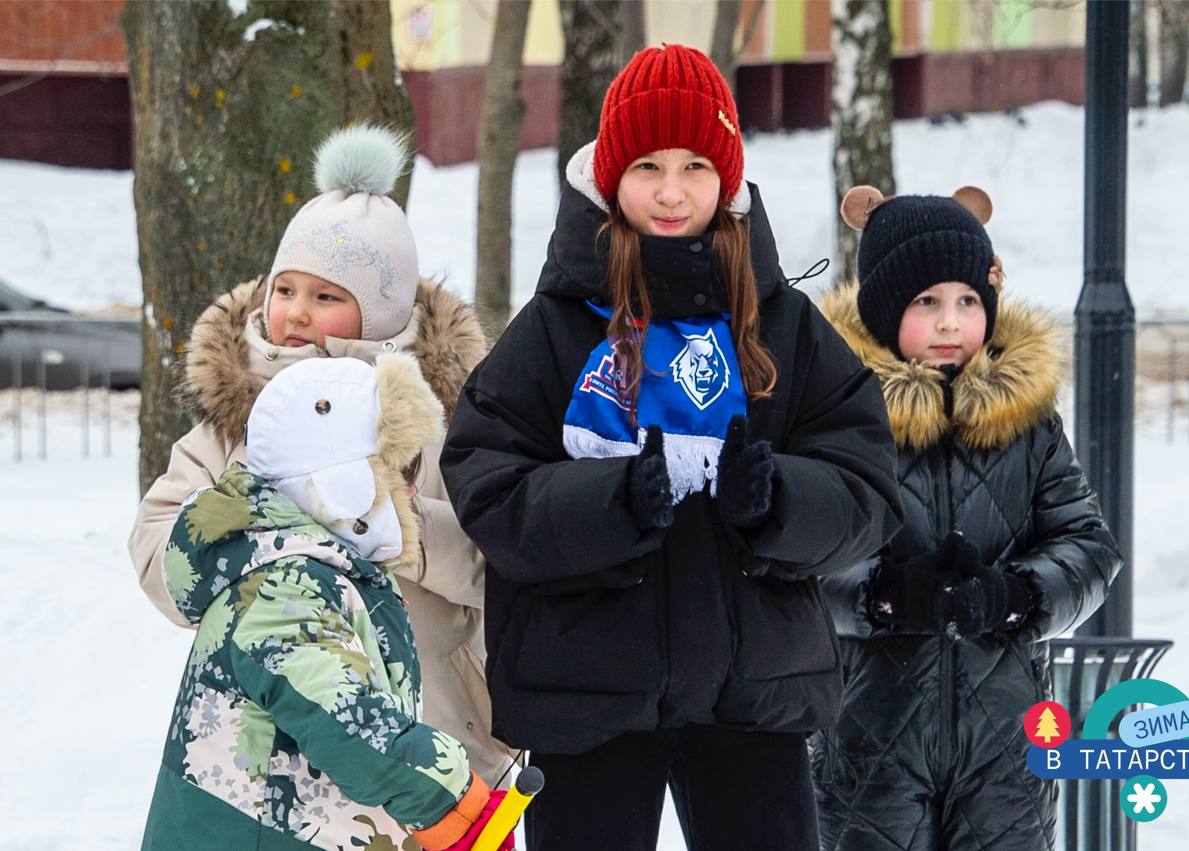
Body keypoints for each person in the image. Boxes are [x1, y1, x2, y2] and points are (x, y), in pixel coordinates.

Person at [438, 44, 903, 851]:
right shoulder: (555, 325)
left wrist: (779, 500)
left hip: (755, 698)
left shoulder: (781, 322)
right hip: (587, 692)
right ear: (610, 174)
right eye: (647, 165)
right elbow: (486, 482)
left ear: (727, 176)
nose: (671, 190)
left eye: (695, 165)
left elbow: (866, 485)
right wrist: (609, 502)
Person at [127, 124, 517, 785]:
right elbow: (154, 545)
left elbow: (503, 556)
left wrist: (408, 531)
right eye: (286, 290)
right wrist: (232, 526)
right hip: (274, 752)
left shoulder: (447, 413)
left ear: (385, 311)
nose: (297, 313)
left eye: (327, 296)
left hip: (434, 734)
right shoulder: (236, 414)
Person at [811, 185, 1124, 851]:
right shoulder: (841, 418)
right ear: (883, 309)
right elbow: (801, 558)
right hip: (871, 741)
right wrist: (886, 595)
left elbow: (1090, 545)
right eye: (927, 302)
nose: (951, 322)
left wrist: (1018, 594)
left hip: (1007, 750)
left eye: (967, 301)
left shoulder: (1026, 422)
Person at [141, 355, 513, 851]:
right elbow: (344, 720)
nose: (407, 494)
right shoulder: (283, 585)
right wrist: (456, 802)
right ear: (341, 484)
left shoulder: (320, 565)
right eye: (394, 474)